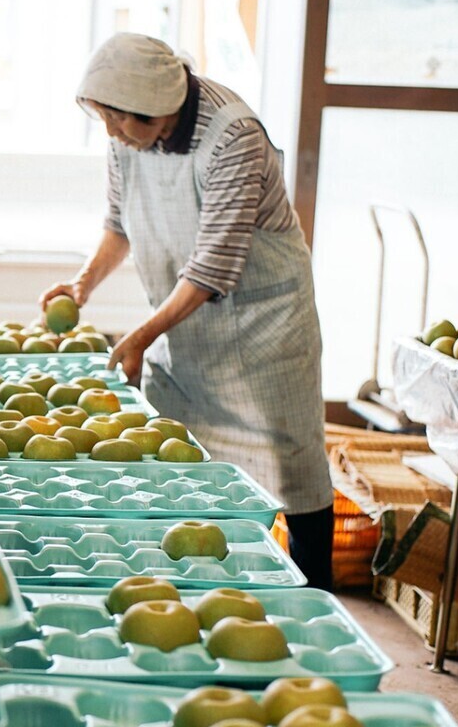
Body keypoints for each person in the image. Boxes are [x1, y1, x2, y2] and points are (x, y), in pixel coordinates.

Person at [40, 32, 334, 589]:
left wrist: (142, 335)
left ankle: (317, 593)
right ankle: (196, 582)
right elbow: (117, 224)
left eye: (121, 120)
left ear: (160, 108)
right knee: (178, 457)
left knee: (294, 471)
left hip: (265, 327)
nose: (112, 132)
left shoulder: (234, 137)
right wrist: (81, 287)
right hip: (187, 326)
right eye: (103, 118)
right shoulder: (126, 133)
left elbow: (211, 267)